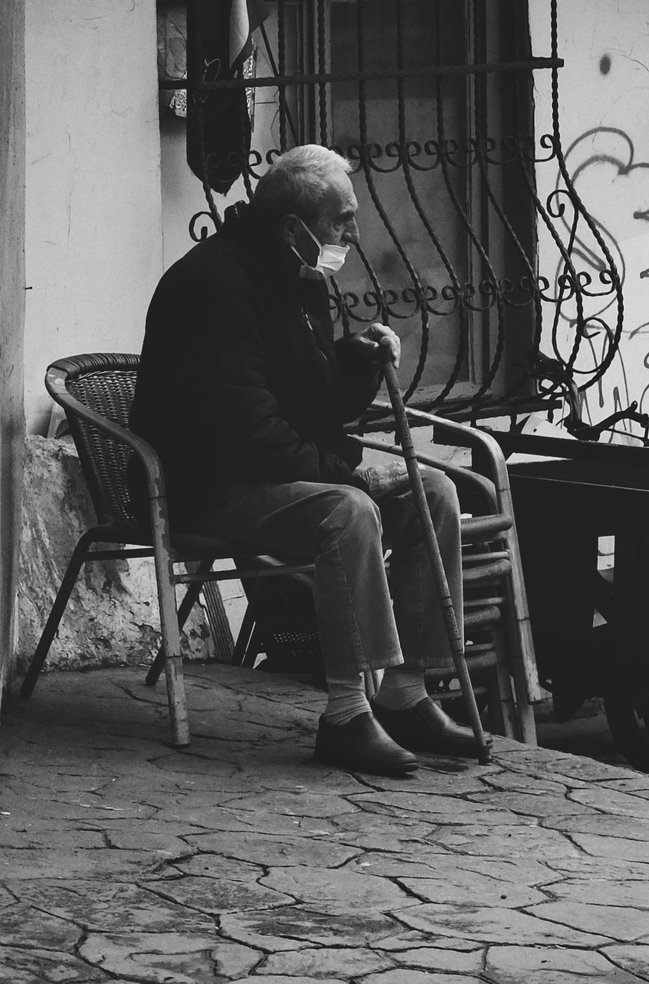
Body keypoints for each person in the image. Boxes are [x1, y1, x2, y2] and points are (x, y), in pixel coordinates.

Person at [130, 144, 473, 777]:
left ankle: (404, 692)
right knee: (349, 511)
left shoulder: (297, 275)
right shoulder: (211, 285)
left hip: (272, 470)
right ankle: (346, 713)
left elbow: (313, 404)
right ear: (295, 227)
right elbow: (248, 432)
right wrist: (346, 475)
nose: (354, 232)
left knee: (434, 492)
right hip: (211, 482)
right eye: (342, 219)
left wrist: (354, 360)